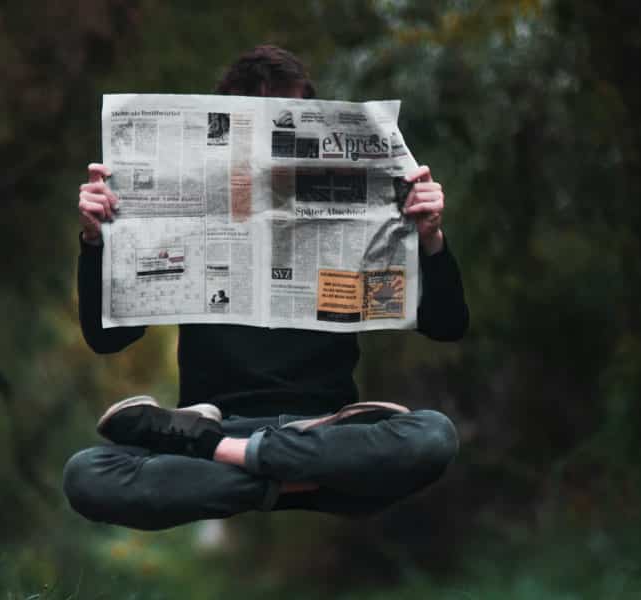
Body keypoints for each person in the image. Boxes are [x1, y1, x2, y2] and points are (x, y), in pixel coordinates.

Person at [64, 45, 469, 531]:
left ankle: (232, 456)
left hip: (325, 430)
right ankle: (268, 468)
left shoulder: (362, 200)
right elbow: (107, 339)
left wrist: (430, 237)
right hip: (275, 447)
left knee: (433, 436)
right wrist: (95, 240)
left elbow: (447, 325)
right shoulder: (183, 205)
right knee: (86, 475)